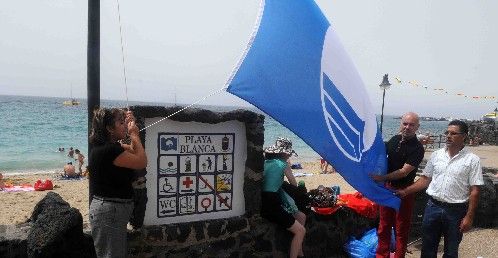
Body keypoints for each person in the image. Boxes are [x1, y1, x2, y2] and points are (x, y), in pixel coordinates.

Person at [396, 120, 483, 258]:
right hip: (433, 207)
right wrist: (405, 191)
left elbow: (475, 190)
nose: (448, 136)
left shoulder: (472, 160)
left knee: (451, 251)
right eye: (447, 132)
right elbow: (425, 179)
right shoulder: (436, 155)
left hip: (456, 211)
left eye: (453, 133)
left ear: (464, 136)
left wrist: (469, 217)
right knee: (427, 250)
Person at [88, 108, 147, 258]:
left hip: (111, 211)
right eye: (120, 123)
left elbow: (134, 151)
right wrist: (134, 134)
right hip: (110, 211)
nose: (124, 125)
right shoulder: (109, 151)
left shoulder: (110, 148)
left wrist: (131, 126)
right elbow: (141, 161)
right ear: (109, 128)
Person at [370, 112, 425, 258]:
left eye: (411, 125)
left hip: (404, 192)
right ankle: (382, 256)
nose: (407, 127)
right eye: (405, 123)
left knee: (401, 230)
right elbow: (378, 154)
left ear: (417, 127)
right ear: (400, 124)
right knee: (383, 227)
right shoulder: (394, 140)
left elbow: (404, 172)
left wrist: (381, 177)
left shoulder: (418, 148)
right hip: (387, 189)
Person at [261, 137, 306, 258]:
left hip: (263, 202)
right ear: (284, 153)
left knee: (301, 216)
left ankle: (300, 252)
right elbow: (294, 184)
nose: (289, 156)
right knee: (301, 231)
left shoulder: (265, 162)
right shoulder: (283, 164)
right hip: (272, 205)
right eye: (289, 154)